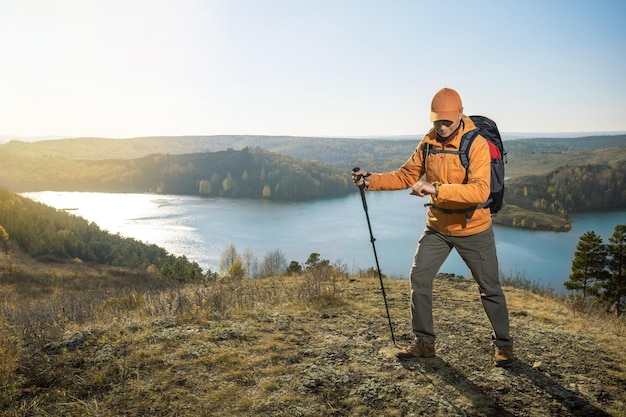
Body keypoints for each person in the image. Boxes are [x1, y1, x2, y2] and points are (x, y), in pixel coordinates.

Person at [352, 87, 514, 367]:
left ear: (460, 115)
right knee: (419, 278)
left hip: (473, 228)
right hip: (438, 226)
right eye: (437, 121)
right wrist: (372, 180)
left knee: (489, 288)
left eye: (446, 121)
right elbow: (406, 175)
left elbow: (479, 191)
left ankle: (504, 345)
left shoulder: (474, 144)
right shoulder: (428, 142)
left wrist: (435, 189)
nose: (441, 126)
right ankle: (424, 343)